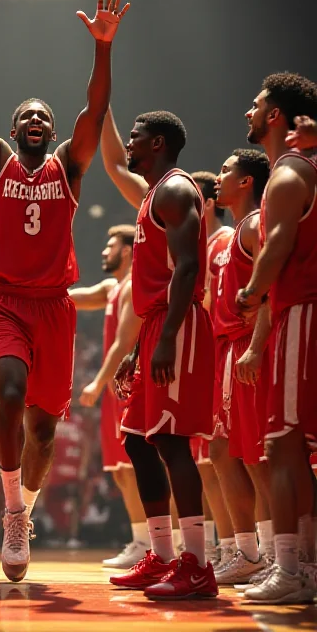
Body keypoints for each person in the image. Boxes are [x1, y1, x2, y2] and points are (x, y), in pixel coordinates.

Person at [0, 0, 128, 581]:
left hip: (54, 307)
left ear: (52, 131)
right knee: (12, 392)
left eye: (41, 117)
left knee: (44, 430)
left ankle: (25, 501)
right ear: (14, 128)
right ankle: (12, 513)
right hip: (4, 304)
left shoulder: (69, 169)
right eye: (25, 115)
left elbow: (94, 111)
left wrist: (103, 50)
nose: (32, 120)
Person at [102, 106, 218, 600]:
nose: (129, 143)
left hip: (180, 325)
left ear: (159, 143)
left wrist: (169, 335)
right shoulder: (154, 193)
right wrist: (139, 346)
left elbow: (188, 268)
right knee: (136, 442)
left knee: (172, 442)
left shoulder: (175, 188)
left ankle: (196, 564)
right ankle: (162, 555)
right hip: (156, 325)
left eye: (136, 136)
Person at [236, 72, 317, 604]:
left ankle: (290, 570)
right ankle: (305, 565)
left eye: (257, 102)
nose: (249, 109)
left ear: (274, 116)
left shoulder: (288, 174)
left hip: (302, 313)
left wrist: (248, 292)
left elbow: (279, 246)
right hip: (293, 316)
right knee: (296, 453)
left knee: (282, 449)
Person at [207, 149, 273, 586]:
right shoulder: (232, 235)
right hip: (228, 348)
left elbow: (272, 289)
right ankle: (246, 550)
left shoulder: (254, 226)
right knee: (223, 452)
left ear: (247, 181)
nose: (219, 176)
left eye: (227, 170)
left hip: (248, 348)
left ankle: (272, 553)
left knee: (259, 457)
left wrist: (257, 343)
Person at [70, 225, 148, 568]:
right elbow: (74, 297)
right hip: (114, 391)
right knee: (119, 469)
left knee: (133, 467)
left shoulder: (135, 285)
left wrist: (97, 383)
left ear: (129, 251)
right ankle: (140, 539)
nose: (104, 251)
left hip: (128, 386)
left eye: (110, 245)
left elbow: (123, 342)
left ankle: (153, 542)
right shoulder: (112, 287)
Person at [190, 171, 235, 567]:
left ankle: (250, 548)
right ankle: (227, 548)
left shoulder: (225, 242)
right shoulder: (196, 248)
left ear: (205, 204)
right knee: (208, 463)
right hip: (206, 361)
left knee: (231, 457)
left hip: (227, 355)